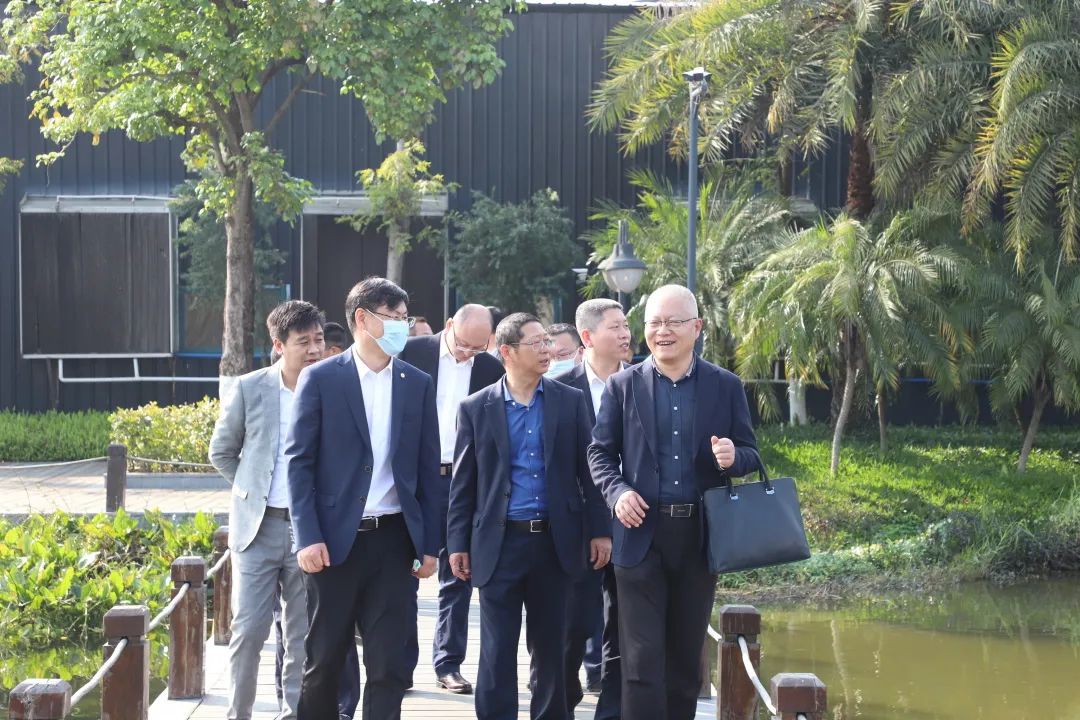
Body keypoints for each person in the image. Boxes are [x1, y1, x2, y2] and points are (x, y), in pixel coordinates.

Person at [588, 285, 759, 720]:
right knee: (640, 662)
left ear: (696, 327)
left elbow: (750, 454)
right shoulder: (623, 385)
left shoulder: (725, 385)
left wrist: (733, 458)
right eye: (654, 323)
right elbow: (599, 453)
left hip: (699, 538)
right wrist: (617, 492)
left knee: (685, 664)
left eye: (673, 322)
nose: (662, 331)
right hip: (639, 534)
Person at [286, 277, 441, 720]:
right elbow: (299, 463)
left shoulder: (416, 382)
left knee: (389, 663)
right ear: (362, 318)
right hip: (334, 542)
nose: (400, 327)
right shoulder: (321, 378)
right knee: (325, 660)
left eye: (404, 319)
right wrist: (307, 536)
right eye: (392, 317)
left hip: (394, 540)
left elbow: (427, 469)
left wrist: (430, 544)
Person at [447, 313, 612, 720]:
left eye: (547, 342)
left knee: (552, 646)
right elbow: (464, 484)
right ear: (506, 352)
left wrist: (600, 531)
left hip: (556, 542)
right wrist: (456, 544)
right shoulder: (476, 408)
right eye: (536, 343)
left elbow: (590, 470)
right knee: (497, 649)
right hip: (499, 543)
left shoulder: (569, 401)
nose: (547, 350)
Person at [209, 300, 325, 720]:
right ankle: (238, 714)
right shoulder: (250, 387)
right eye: (303, 342)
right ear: (279, 345)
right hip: (257, 530)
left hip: (309, 530)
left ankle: (292, 713)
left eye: (318, 339)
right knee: (249, 631)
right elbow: (221, 451)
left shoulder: (331, 387)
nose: (314, 349)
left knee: (301, 635)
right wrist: (251, 489)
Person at [398, 304, 505, 695]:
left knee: (458, 573)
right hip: (415, 481)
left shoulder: (491, 369)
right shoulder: (410, 353)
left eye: (477, 347)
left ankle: (448, 663)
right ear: (448, 327)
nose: (467, 353)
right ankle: (400, 664)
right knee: (405, 572)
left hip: (463, 482)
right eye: (462, 344)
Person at [553, 299, 631, 717]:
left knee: (622, 625)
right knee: (572, 624)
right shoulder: (559, 389)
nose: (625, 334)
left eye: (626, 325)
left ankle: (610, 706)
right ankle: (564, 697)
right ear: (588, 336)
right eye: (615, 327)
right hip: (576, 526)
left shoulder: (641, 382)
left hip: (632, 520)